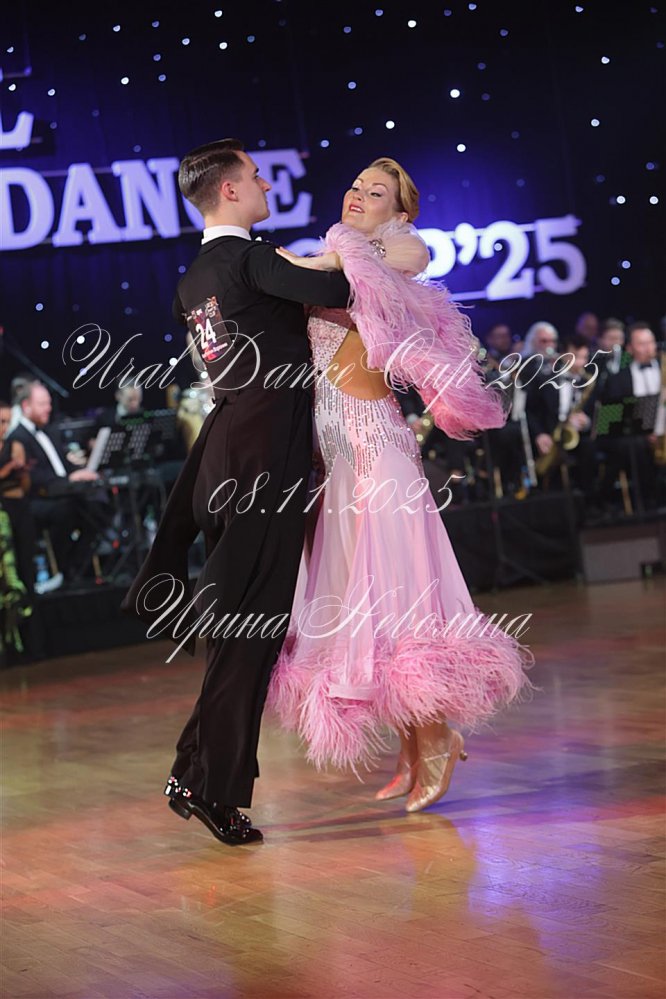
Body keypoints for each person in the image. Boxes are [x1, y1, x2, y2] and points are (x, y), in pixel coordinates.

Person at [268, 158, 533, 813]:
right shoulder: (340, 260)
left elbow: (401, 258)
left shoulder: (393, 255)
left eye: (376, 192)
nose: (358, 195)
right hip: (335, 458)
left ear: (399, 211)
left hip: (374, 448)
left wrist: (308, 258)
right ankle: (413, 739)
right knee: (364, 605)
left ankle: (436, 732)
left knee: (399, 597)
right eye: (356, 186)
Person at [121, 138, 350, 846]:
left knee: (241, 631)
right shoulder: (252, 260)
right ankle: (214, 790)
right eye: (254, 175)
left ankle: (193, 773)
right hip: (260, 465)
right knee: (250, 634)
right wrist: (357, 245)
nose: (265, 184)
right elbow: (339, 292)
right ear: (228, 190)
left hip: (227, 457)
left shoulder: (193, 280)